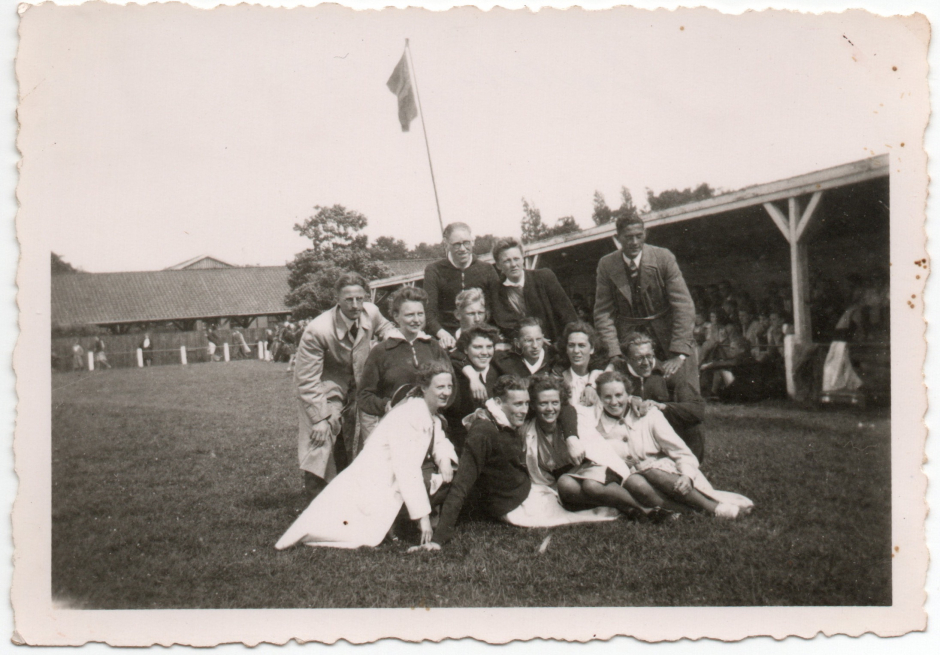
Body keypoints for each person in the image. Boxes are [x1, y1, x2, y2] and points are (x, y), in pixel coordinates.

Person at [411, 375, 609, 552]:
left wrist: (572, 438)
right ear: (499, 402)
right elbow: (461, 486)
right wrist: (439, 540)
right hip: (514, 505)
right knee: (581, 514)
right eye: (518, 404)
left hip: (529, 488)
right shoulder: (483, 432)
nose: (524, 410)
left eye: (526, 403)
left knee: (576, 495)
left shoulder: (507, 415)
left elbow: (565, 408)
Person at [276, 362, 458, 550]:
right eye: (440, 387)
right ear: (424, 388)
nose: (446, 392)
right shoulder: (410, 414)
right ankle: (398, 524)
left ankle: (399, 523)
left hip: (389, 481)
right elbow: (406, 469)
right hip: (374, 485)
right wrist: (424, 517)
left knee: (445, 475)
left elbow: (439, 438)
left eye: (449, 386)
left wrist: (444, 459)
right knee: (354, 531)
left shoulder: (428, 414)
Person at [560, 371, 753, 519]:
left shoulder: (649, 415)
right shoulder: (594, 420)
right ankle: (688, 513)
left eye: (619, 395)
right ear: (600, 399)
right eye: (607, 397)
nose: (614, 402)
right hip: (627, 483)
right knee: (634, 482)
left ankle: (713, 508)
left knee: (646, 475)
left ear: (629, 394)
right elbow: (568, 410)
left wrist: (687, 475)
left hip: (662, 476)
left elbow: (681, 452)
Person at [293, 272, 395, 502]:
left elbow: (386, 326)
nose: (355, 305)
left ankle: (351, 495)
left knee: (357, 439)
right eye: (349, 299)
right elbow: (306, 380)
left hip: (359, 385)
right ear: (337, 298)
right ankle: (316, 502)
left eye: (360, 298)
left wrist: (393, 338)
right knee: (320, 438)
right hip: (325, 387)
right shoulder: (317, 330)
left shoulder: (372, 312)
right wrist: (319, 418)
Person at [594, 212, 698, 393]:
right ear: (617, 238)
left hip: (668, 333)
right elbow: (603, 313)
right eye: (628, 237)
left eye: (638, 236)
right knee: (632, 392)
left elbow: (683, 305)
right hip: (630, 338)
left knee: (685, 389)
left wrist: (678, 352)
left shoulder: (663, 257)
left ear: (645, 234)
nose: (634, 242)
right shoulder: (606, 264)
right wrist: (614, 352)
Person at [358, 287, 452, 444]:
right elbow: (364, 396)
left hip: (430, 427)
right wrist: (385, 405)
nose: (416, 320)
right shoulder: (381, 351)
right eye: (409, 315)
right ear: (396, 316)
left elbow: (451, 385)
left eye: (420, 314)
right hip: (395, 428)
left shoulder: (434, 347)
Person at [612, 331, 706, 463]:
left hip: (663, 436)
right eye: (639, 358)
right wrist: (629, 399)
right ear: (626, 359)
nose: (646, 363)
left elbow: (697, 408)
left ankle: (690, 466)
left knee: (692, 425)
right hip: (631, 436)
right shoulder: (618, 374)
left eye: (649, 356)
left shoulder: (667, 373)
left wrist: (662, 406)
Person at [423, 222, 500, 350]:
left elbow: (497, 308)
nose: (463, 249)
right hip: (447, 337)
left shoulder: (487, 269)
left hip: (481, 334)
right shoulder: (434, 270)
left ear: (473, 241)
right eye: (457, 244)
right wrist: (442, 334)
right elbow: (429, 311)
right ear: (446, 244)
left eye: (466, 243)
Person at [491, 237, 578, 345]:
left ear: (523, 258)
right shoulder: (495, 293)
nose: (513, 264)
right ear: (498, 265)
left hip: (555, 349)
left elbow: (569, 317)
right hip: (519, 353)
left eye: (516, 258)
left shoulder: (544, 278)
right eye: (507, 261)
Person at [443, 325, 501, 454]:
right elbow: (453, 355)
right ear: (465, 349)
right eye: (477, 347)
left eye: (489, 346)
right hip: (459, 445)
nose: (485, 352)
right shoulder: (455, 374)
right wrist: (473, 377)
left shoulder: (498, 370)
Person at [553, 321, 606, 410]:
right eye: (571, 345)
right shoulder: (559, 379)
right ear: (566, 349)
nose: (576, 351)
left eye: (582, 345)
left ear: (592, 349)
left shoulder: (601, 377)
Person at [495, 317, 559, 379]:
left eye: (538, 339)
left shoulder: (554, 360)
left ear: (543, 338)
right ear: (517, 343)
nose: (535, 346)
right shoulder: (507, 363)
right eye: (529, 340)